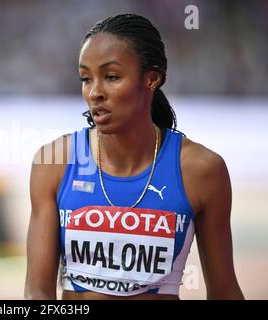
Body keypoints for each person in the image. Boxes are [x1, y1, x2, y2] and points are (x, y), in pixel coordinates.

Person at [24, 14, 244, 300]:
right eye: (86, 78)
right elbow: (37, 291)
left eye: (111, 77)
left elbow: (225, 292)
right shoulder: (54, 162)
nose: (94, 92)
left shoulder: (201, 170)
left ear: (151, 79)